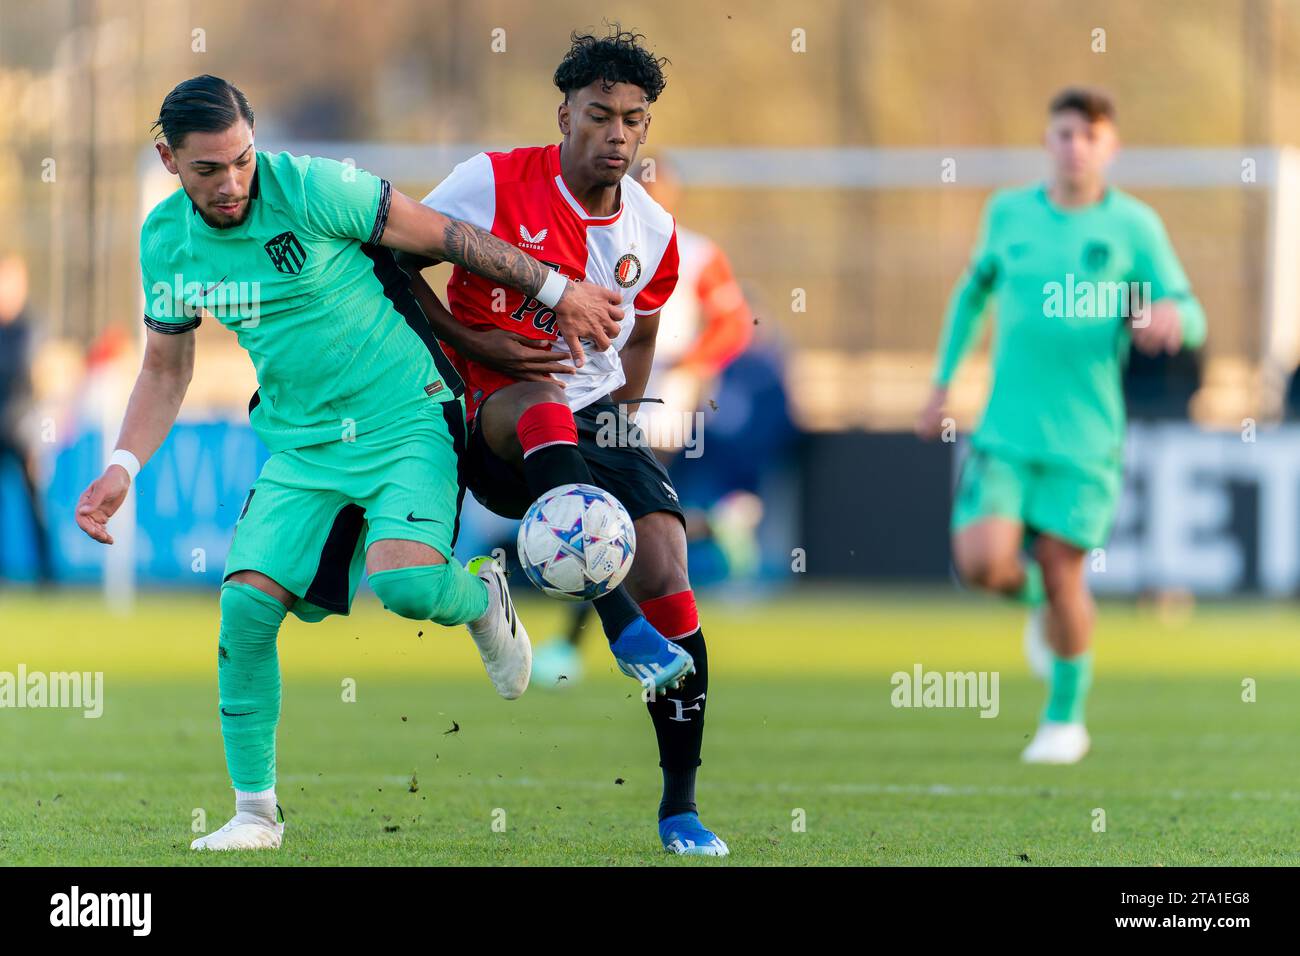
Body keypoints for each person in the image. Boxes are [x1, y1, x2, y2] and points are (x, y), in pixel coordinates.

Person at [73, 73, 626, 851]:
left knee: (402, 586)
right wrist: (123, 466)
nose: (232, 184)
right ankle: (255, 814)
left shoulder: (313, 187)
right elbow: (166, 369)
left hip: (406, 414)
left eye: (241, 160)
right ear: (168, 160)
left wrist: (558, 289)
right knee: (245, 610)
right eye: (208, 170)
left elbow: (441, 235)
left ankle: (481, 600)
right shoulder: (166, 241)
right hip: (301, 444)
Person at [406, 29, 728, 856]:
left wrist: (629, 420)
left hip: (595, 422)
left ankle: (681, 809)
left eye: (633, 120)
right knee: (545, 398)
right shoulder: (490, 181)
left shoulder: (653, 233)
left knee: (670, 574)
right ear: (565, 115)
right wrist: (470, 345)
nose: (617, 135)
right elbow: (393, 260)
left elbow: (646, 330)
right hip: (496, 415)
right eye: (600, 116)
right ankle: (615, 623)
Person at [915, 87, 1207, 764]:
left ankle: (1064, 721)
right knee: (982, 564)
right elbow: (971, 296)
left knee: (1061, 563)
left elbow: (1191, 311)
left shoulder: (1134, 227)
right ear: (1049, 142)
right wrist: (940, 384)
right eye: (1065, 133)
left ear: (1111, 148)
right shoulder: (1008, 213)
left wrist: (1172, 320)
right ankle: (1047, 611)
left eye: (1090, 135)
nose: (1076, 146)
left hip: (1087, 438)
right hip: (1007, 430)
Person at [529, 153, 753, 686]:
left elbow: (735, 324)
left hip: (660, 399)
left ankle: (576, 644)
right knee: (606, 519)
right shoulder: (598, 235)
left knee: (603, 520)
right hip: (592, 395)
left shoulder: (694, 251)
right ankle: (716, 526)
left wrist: (692, 365)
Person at [0, 255, 55, 586]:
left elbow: (38, 380)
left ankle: (47, 574)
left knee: (34, 503)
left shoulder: (32, 328)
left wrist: (41, 437)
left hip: (23, 429)